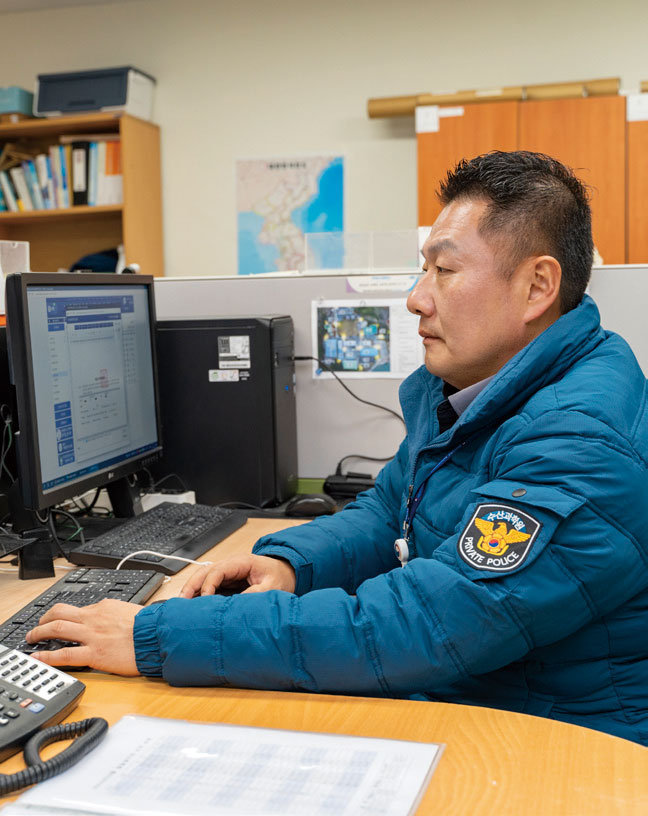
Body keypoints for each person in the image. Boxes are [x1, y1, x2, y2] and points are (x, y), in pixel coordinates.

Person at [27, 151, 648, 745]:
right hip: (480, 699)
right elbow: (389, 513)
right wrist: (296, 563)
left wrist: (159, 635)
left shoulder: (580, 442)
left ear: (538, 286)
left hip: (554, 741)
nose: (416, 297)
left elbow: (425, 625)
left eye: (445, 269)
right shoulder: (473, 388)